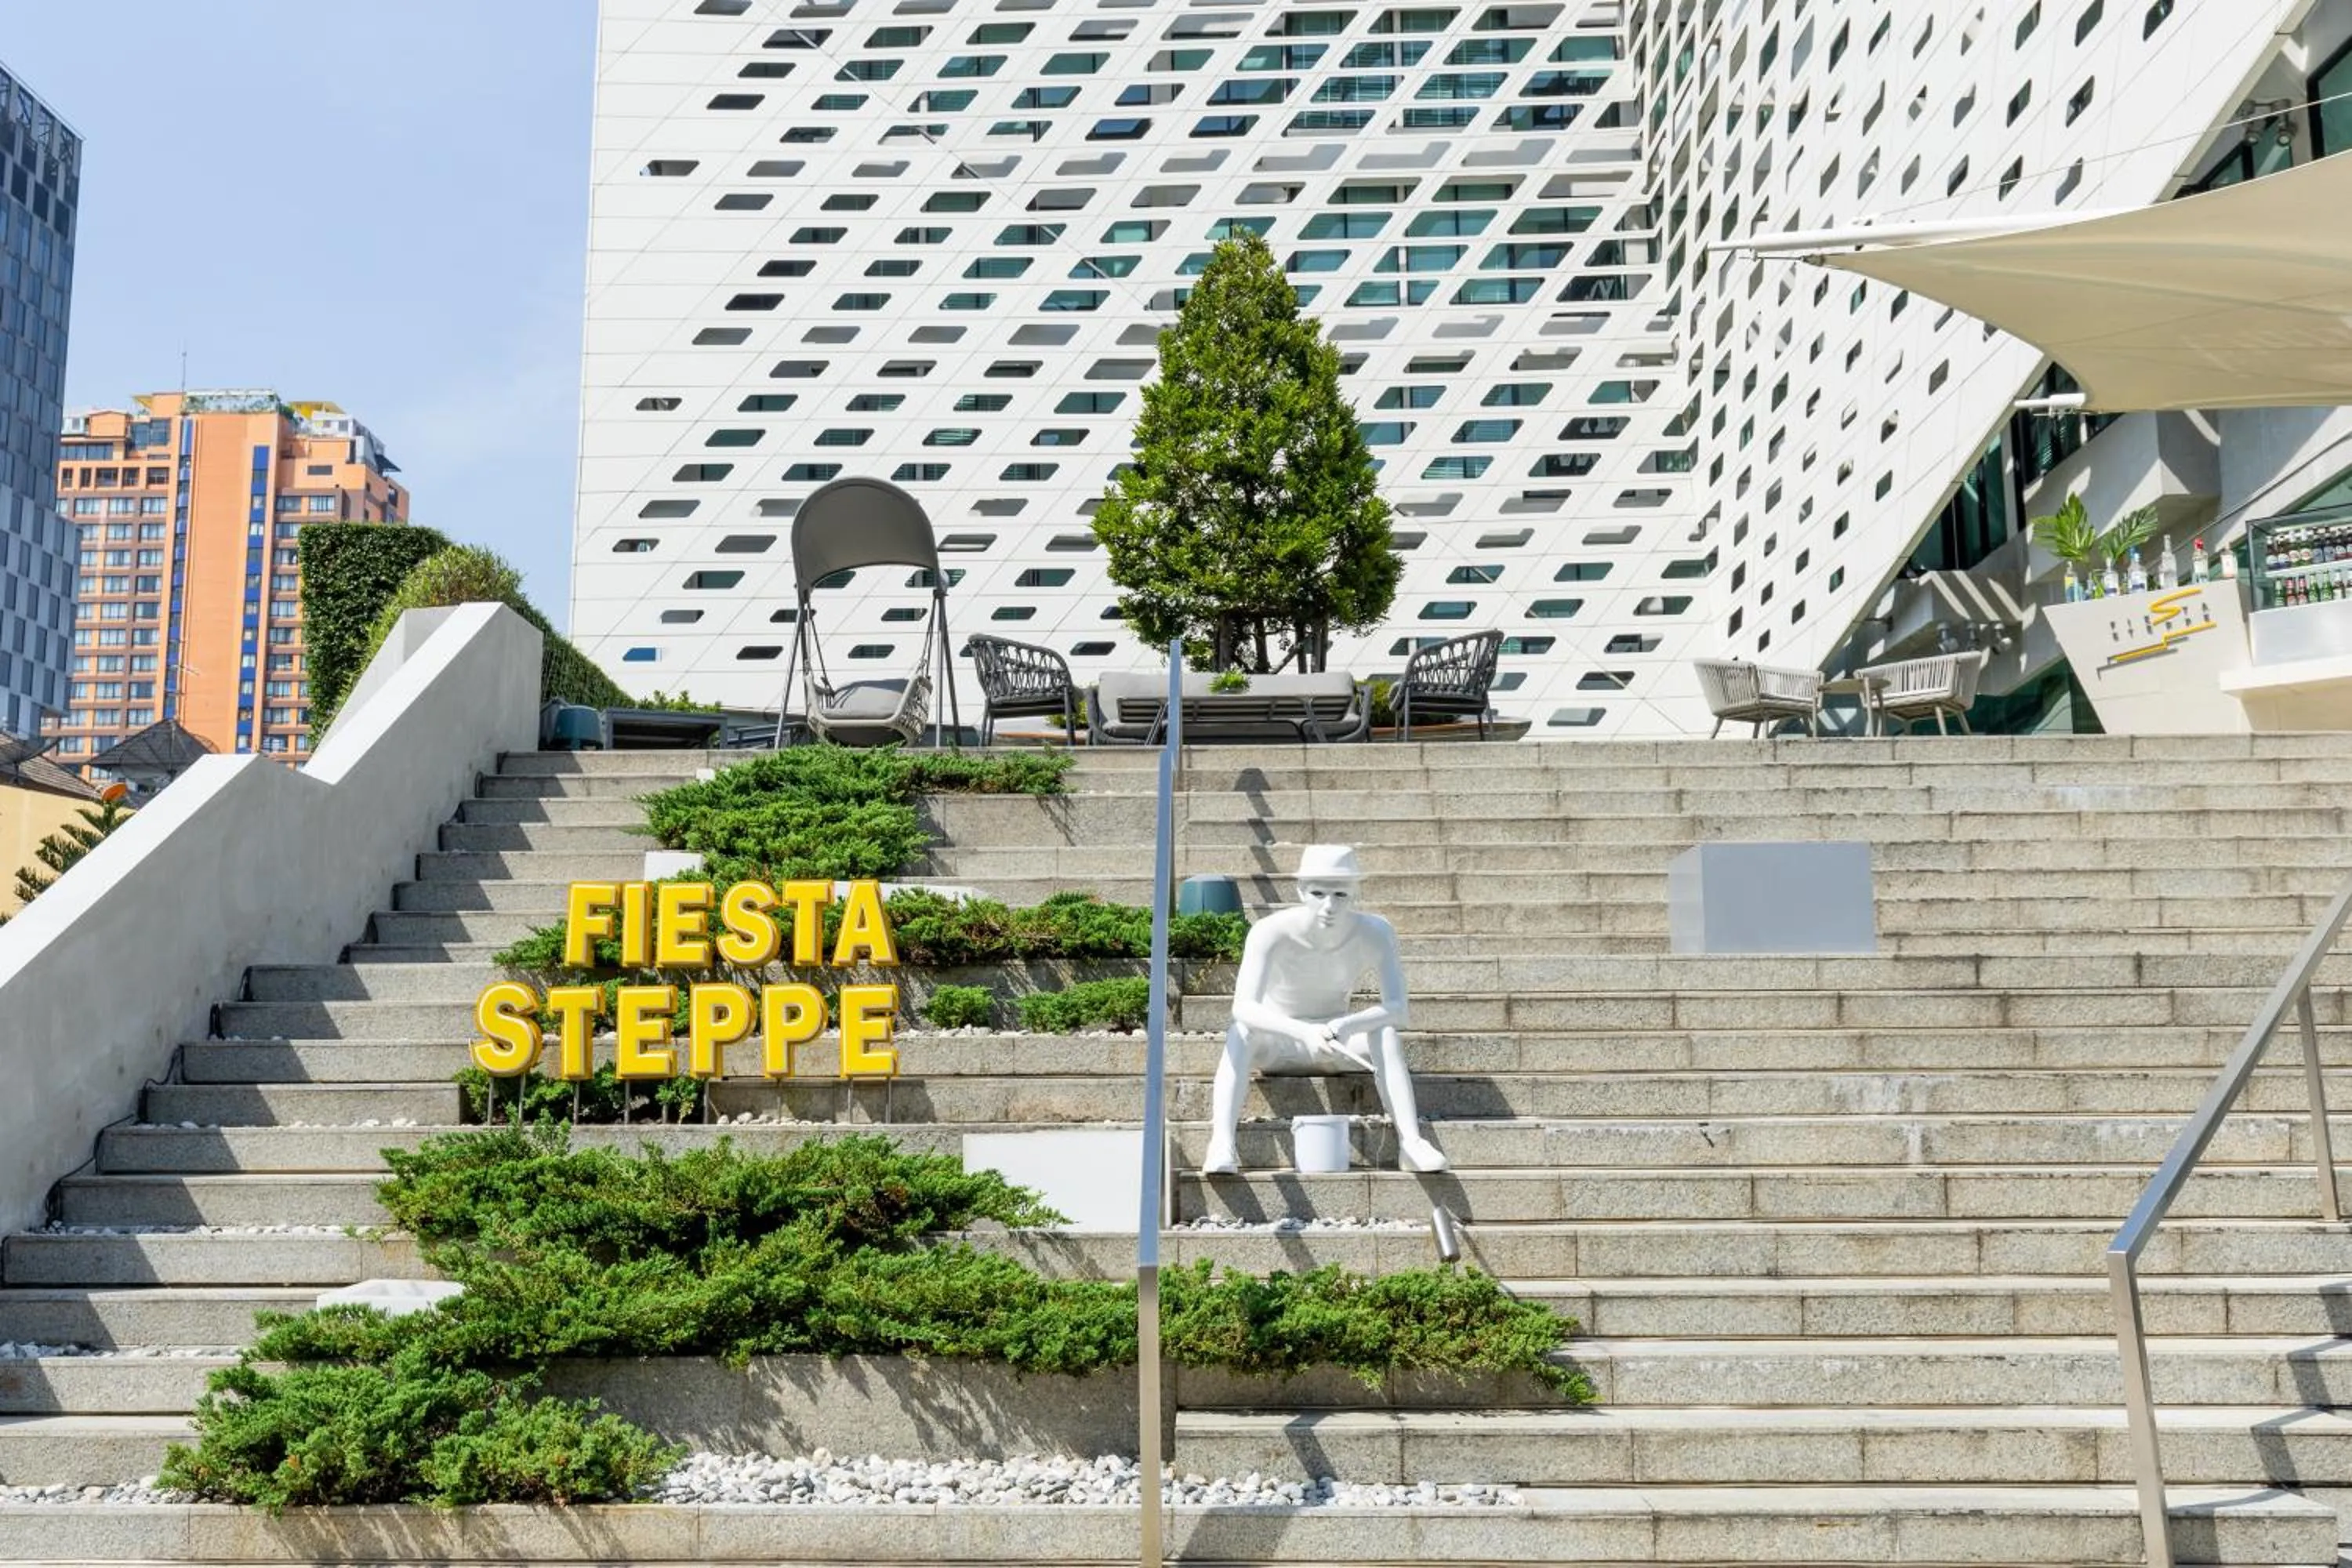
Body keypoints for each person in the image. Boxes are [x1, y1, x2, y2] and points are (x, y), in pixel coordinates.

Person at [1200, 844, 1447, 1174]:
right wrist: (1303, 1031)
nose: (1329, 905)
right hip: (1281, 1043)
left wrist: (1346, 1026)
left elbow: (1398, 1009)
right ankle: (1222, 1143)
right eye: (1318, 892)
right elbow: (1243, 1007)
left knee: (1385, 1032)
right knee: (1241, 1032)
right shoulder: (1270, 932)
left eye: (1341, 895)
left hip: (1337, 1041)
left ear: (1355, 894)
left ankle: (1412, 1142)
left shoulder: (1376, 932)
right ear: (1301, 891)